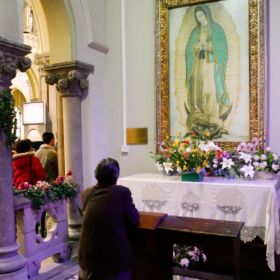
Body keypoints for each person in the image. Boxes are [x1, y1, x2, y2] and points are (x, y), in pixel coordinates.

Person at [78, 158, 139, 280]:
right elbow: (134, 219)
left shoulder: (87, 192)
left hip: (87, 257)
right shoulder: (122, 192)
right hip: (112, 262)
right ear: (116, 176)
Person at [185, 4, 232, 139]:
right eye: (197, 17)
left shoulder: (216, 29)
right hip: (198, 65)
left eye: (202, 15)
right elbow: (188, 51)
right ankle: (198, 114)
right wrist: (195, 47)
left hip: (211, 65)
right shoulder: (195, 32)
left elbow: (222, 49)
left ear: (207, 15)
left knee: (210, 89)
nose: (200, 19)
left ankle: (211, 116)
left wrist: (209, 47)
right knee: (198, 89)